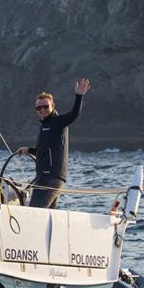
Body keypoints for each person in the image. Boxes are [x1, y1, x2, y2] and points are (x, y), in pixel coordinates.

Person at [17, 78, 91, 208]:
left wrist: (79, 96)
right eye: (39, 108)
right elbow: (45, 150)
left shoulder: (58, 122)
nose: (42, 110)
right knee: (49, 213)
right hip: (42, 176)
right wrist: (29, 150)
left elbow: (74, 114)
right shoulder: (43, 126)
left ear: (53, 106)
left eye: (45, 107)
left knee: (35, 210)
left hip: (53, 177)